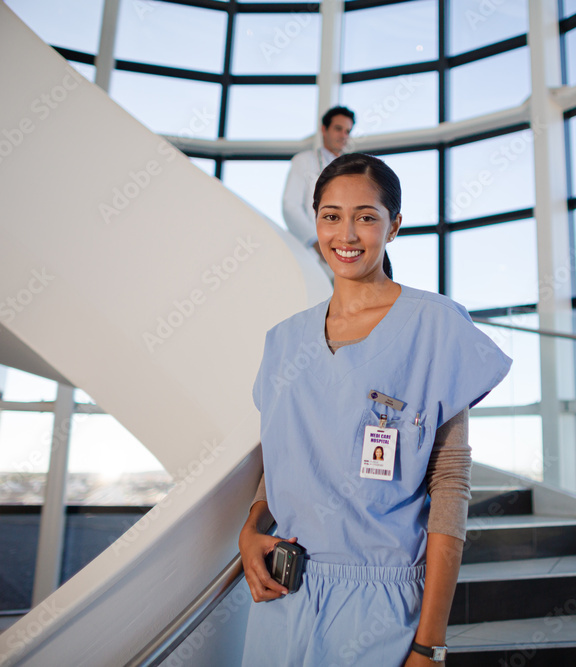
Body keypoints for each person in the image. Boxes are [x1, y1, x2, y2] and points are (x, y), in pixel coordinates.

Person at [239, 153, 512, 666]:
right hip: (282, 591)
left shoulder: (436, 325)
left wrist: (429, 645)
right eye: (330, 215)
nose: (346, 233)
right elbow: (280, 454)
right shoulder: (283, 341)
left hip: (381, 605)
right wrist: (252, 528)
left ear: (394, 227)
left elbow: (450, 483)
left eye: (366, 216)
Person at [282, 106, 355, 262]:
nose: (343, 135)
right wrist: (316, 241)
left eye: (347, 131)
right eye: (338, 129)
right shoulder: (304, 161)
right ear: (324, 129)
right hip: (312, 253)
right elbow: (290, 206)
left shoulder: (352, 171)